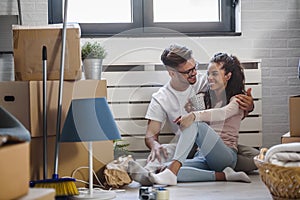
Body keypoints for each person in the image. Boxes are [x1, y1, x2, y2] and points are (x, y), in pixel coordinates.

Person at [127, 44, 257, 185]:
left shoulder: (205, 82)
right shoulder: (161, 97)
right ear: (172, 73)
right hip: (190, 147)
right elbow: (151, 135)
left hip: (218, 146)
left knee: (260, 157)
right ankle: (224, 175)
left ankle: (168, 172)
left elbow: (225, 111)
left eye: (195, 67)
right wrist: (154, 145)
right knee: (164, 161)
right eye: (188, 71)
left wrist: (249, 105)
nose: (195, 73)